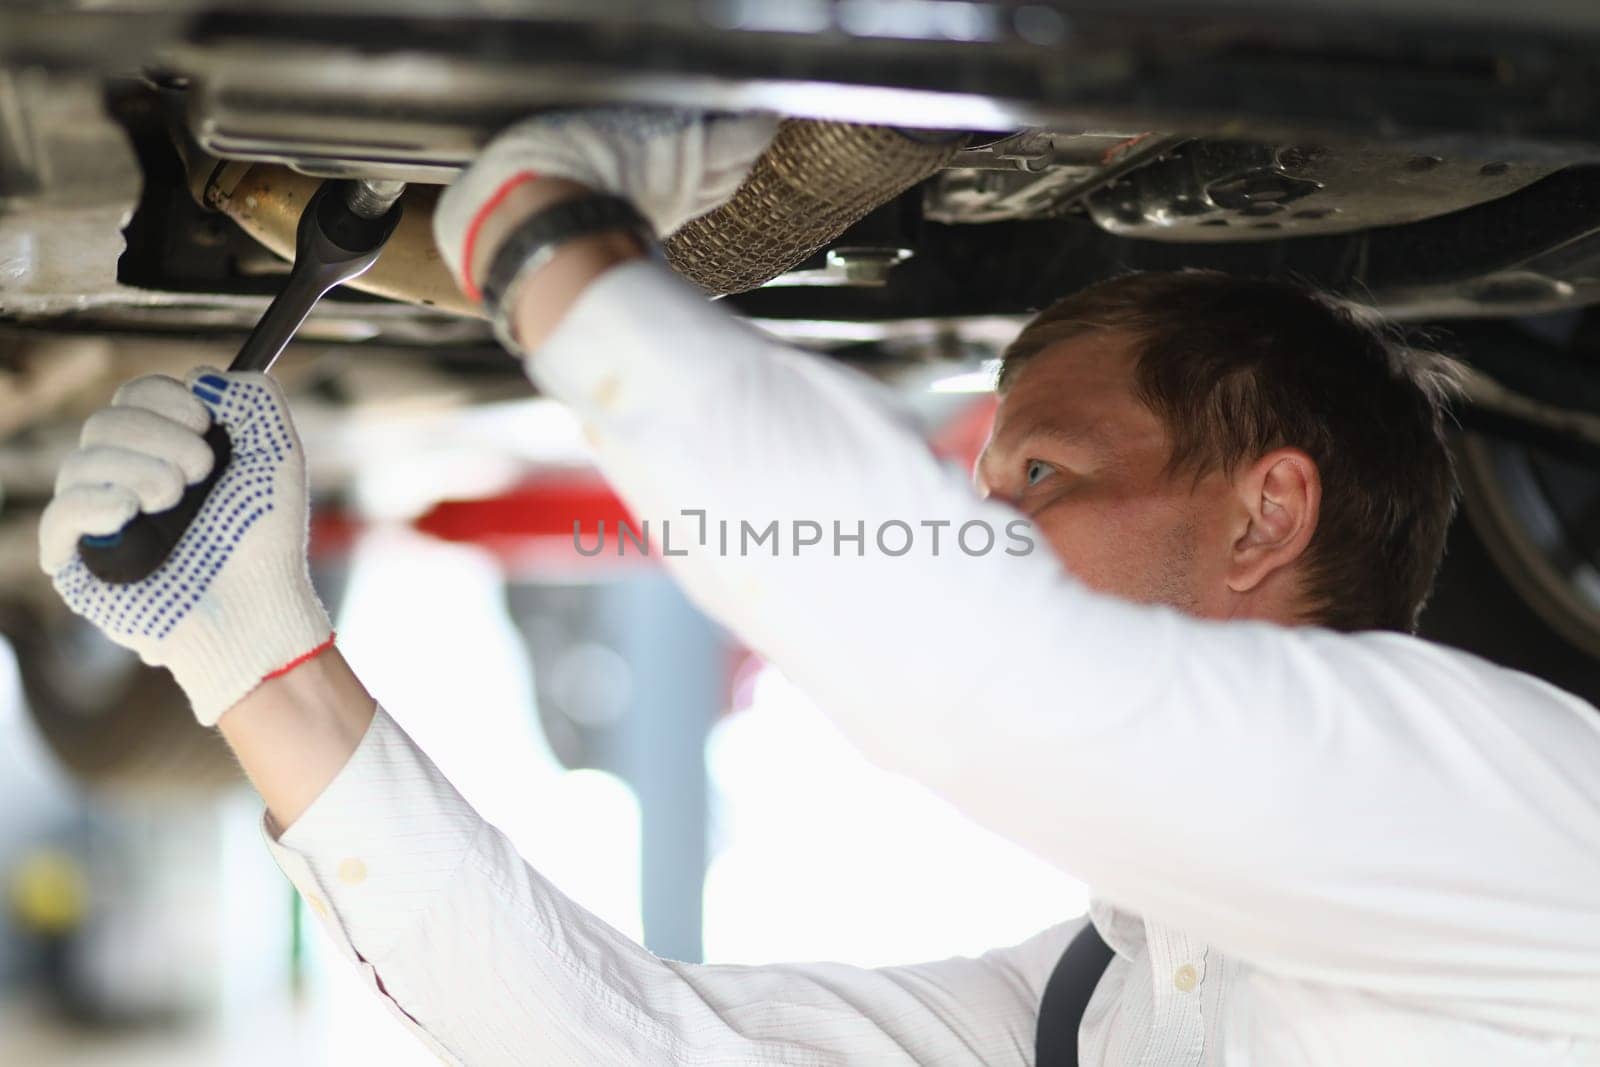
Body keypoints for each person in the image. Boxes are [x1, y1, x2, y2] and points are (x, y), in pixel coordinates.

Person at [37, 112, 1600, 1065]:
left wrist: (547, 240)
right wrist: (257, 656)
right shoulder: (1119, 1002)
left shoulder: (1508, 833)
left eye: (1042, 475)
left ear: (1270, 509)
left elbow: (989, 677)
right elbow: (641, 1049)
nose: (984, 538)